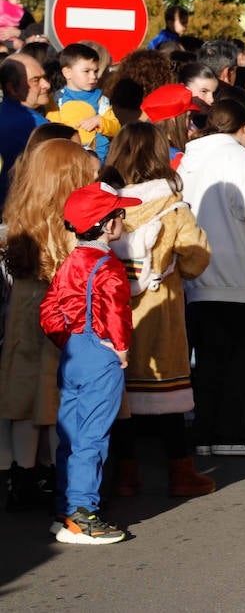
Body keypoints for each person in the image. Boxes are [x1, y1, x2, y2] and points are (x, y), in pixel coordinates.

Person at [98, 123, 215, 499]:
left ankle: (126, 476)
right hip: (160, 313)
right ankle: (181, 474)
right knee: (168, 399)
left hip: (113, 317)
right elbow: (197, 257)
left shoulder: (106, 204)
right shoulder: (172, 205)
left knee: (121, 400)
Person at [39, 181, 141, 544]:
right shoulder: (108, 264)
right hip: (100, 354)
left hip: (72, 353)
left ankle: (66, 510)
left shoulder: (70, 261)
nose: (122, 220)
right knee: (92, 436)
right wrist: (120, 348)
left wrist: (67, 340)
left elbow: (49, 311)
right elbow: (117, 309)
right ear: (107, 224)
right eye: (119, 214)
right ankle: (83, 515)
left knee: (70, 433)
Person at [178, 99, 245, 456]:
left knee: (208, 363)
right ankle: (231, 433)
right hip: (237, 275)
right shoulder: (238, 156)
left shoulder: (190, 157)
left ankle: (205, 432)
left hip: (197, 275)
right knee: (241, 363)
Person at [0, 139, 96, 511]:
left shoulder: (24, 209)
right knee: (58, 398)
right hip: (59, 312)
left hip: (25, 310)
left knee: (25, 397)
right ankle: (58, 475)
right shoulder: (68, 219)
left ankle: (21, 478)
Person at [48, 43, 120, 162]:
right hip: (67, 159)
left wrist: (100, 121)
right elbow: (52, 130)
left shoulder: (101, 98)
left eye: (96, 71)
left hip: (98, 161)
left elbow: (116, 128)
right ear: (67, 73)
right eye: (86, 71)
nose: (93, 76)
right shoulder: (56, 99)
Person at [0, 53, 51, 205]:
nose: (46, 85)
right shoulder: (36, 125)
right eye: (36, 80)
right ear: (12, 88)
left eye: (45, 77)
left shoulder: (4, 113)